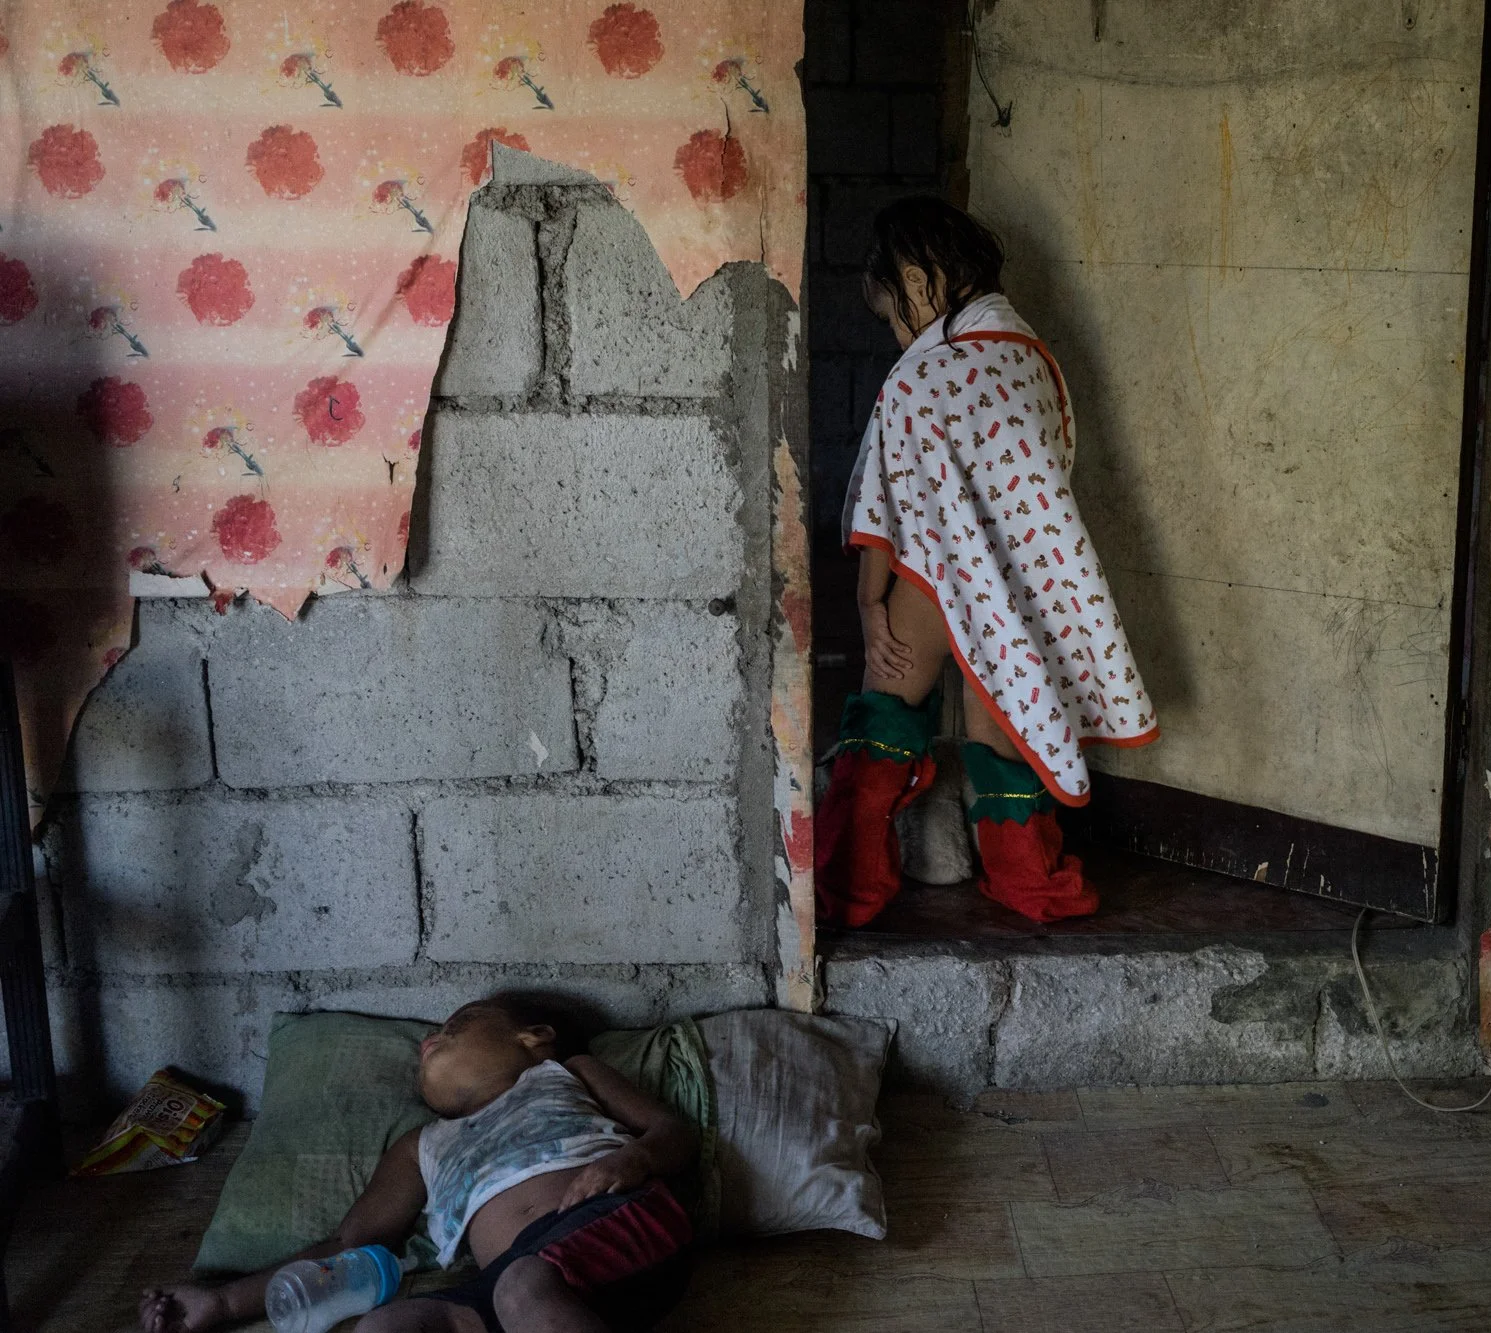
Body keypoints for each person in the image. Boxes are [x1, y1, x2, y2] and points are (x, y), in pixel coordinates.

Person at [819, 196, 1157, 929]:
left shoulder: (919, 378)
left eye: (893, 317)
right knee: (1005, 735)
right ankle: (1032, 884)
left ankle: (849, 886)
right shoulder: (1033, 359)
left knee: (882, 720)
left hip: (931, 578)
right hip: (1020, 585)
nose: (897, 337)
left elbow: (886, 503)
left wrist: (870, 604)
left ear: (917, 283)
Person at [138, 996, 698, 1333]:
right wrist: (222, 1302)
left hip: (621, 1223)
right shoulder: (422, 1144)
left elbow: (674, 1132)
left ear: (535, 1037)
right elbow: (348, 1246)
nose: (432, 1039)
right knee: (385, 1325)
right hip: (515, 1283)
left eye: (457, 1026)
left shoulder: (566, 1073)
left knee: (523, 1285)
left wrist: (635, 1158)